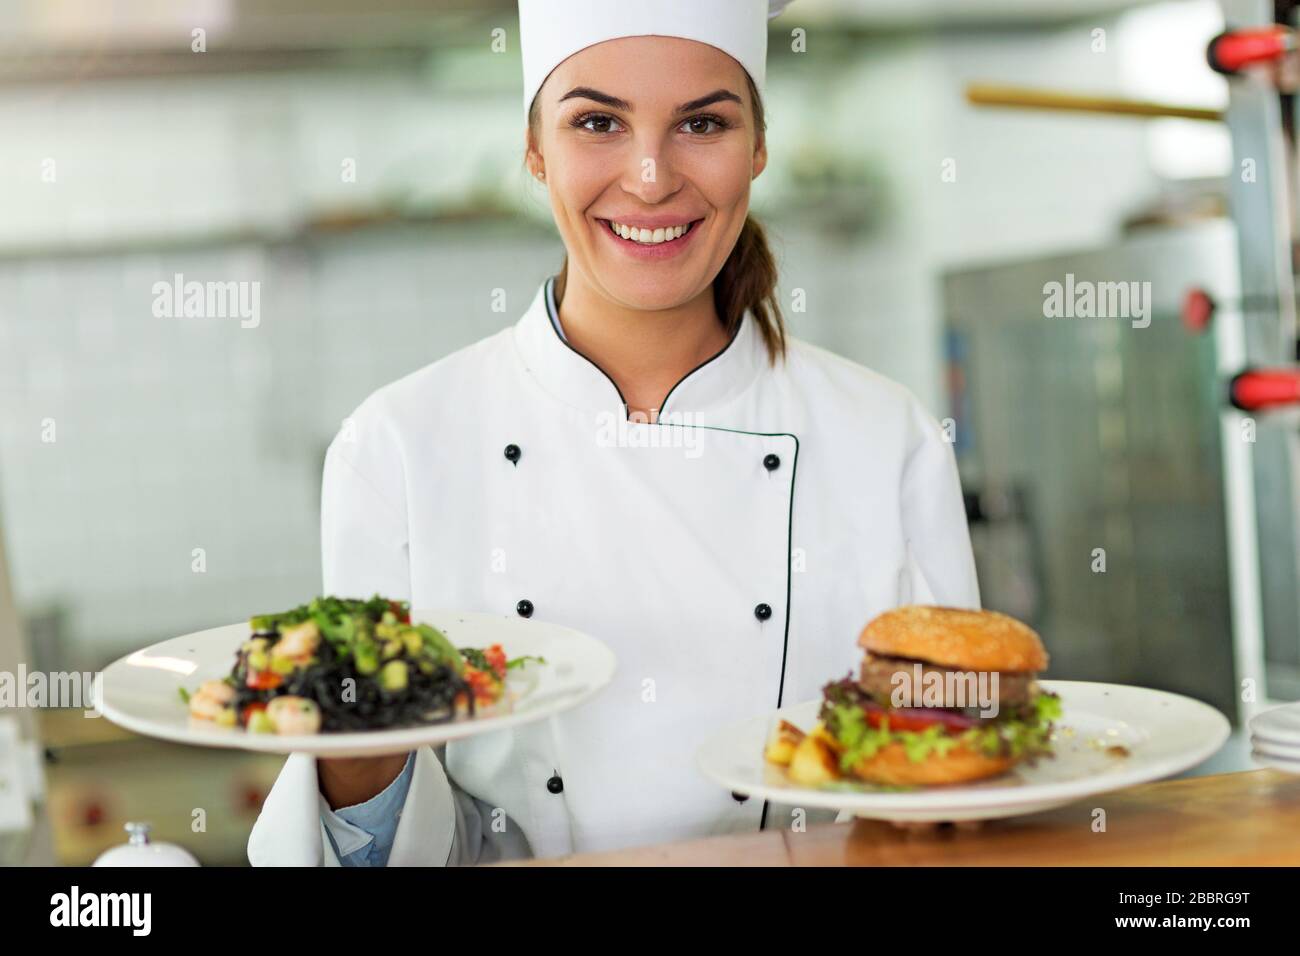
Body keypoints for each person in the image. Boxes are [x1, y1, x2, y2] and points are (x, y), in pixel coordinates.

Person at [248, 0, 979, 866]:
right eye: (597, 122)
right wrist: (357, 755)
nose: (649, 177)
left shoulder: (883, 437)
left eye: (702, 123)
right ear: (534, 151)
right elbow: (383, 850)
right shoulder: (398, 446)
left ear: (758, 149)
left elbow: (957, 785)